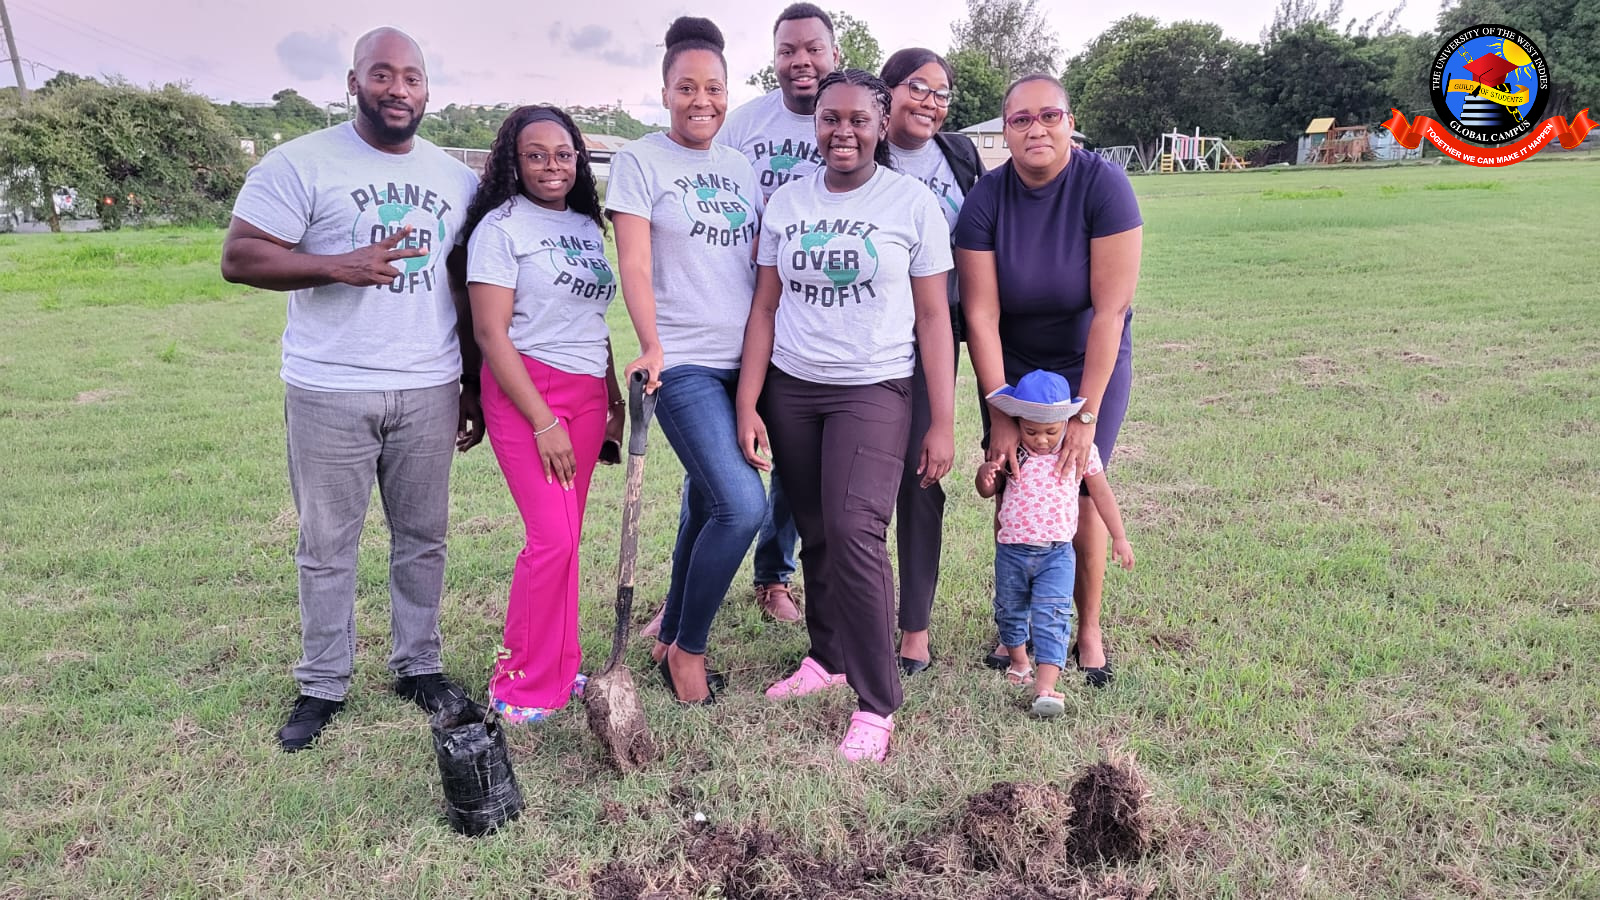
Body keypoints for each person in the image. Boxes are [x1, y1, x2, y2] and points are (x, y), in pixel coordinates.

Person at [220, 27, 482, 751]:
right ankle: (323, 682)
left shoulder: (453, 177)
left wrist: (468, 383)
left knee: (423, 538)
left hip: (428, 384)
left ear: (428, 90)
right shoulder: (300, 162)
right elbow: (239, 257)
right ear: (353, 82)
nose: (399, 89)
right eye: (383, 74)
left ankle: (418, 667)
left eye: (413, 78)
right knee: (328, 543)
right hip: (329, 386)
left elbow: (461, 288)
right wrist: (338, 265)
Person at [736, 69, 955, 762]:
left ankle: (876, 700)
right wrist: (749, 398)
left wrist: (942, 420)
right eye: (831, 118)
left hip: (875, 388)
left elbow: (933, 320)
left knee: (859, 532)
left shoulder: (911, 204)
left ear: (883, 124)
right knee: (818, 529)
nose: (843, 131)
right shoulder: (790, 203)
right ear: (815, 123)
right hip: (794, 389)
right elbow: (765, 307)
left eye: (859, 119)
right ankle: (826, 657)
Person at [955, 74, 1143, 688]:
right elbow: (979, 314)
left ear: (1069, 121)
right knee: (1014, 478)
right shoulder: (986, 197)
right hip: (1012, 364)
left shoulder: (1104, 185)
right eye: (1020, 120)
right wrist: (1001, 410)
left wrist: (1083, 417)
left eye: (1049, 116)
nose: (1036, 129)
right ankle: (1018, 627)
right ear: (1004, 130)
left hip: (1088, 357)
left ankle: (1082, 627)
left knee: (1078, 485)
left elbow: (1110, 311)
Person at [608, 16, 765, 704]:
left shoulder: (740, 166)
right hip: (684, 365)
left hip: (747, 365)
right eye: (687, 87)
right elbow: (635, 264)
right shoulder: (640, 161)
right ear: (665, 90)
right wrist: (650, 343)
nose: (703, 100)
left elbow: (759, 272)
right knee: (740, 504)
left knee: (707, 499)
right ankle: (688, 651)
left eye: (715, 87)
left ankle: (672, 623)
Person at [463, 105, 622, 724]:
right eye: (536, 154)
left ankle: (561, 667)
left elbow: (593, 320)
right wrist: (544, 421)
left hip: (585, 392)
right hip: (528, 390)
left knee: (568, 538)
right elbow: (490, 333)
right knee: (550, 539)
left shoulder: (586, 225)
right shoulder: (500, 230)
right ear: (514, 160)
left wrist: (608, 399)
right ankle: (518, 684)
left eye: (563, 153)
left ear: (578, 158)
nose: (551, 165)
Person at [713, 1, 848, 622]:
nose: (801, 61)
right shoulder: (742, 126)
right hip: (742, 306)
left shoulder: (848, 116)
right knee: (720, 452)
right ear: (773, 59)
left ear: (834, 53)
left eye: (813, 48)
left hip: (814, 315)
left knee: (797, 458)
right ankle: (696, 574)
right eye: (788, 50)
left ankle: (774, 575)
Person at [878, 48, 985, 676]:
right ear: (887, 92)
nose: (930, 102)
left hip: (941, 330)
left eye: (942, 94)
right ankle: (839, 616)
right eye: (918, 88)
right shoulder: (862, 148)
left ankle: (914, 628)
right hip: (872, 333)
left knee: (921, 475)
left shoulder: (960, 156)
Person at [975, 371, 1134, 717]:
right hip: (1012, 552)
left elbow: (1101, 493)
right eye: (1031, 430)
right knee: (1009, 610)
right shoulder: (1013, 446)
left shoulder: (1082, 451)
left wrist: (1119, 536)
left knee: (1053, 615)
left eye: (1051, 431)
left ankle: (1046, 685)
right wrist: (986, 474)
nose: (1042, 440)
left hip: (1057, 554)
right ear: (1018, 422)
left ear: (1067, 421)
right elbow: (989, 489)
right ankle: (1018, 662)